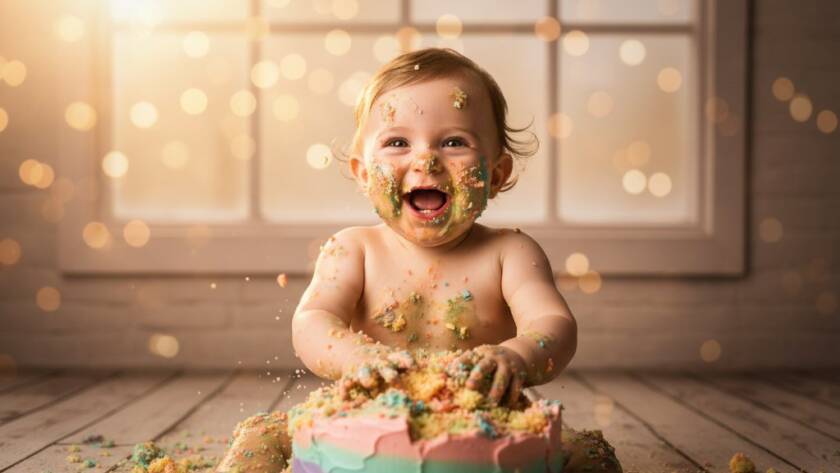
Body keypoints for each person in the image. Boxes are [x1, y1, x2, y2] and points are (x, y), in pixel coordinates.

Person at [217, 47, 621, 473]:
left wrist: (516, 356)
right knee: (261, 433)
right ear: (363, 173)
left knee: (586, 452)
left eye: (453, 142)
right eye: (397, 142)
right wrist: (354, 356)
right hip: (363, 421)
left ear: (496, 174)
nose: (426, 160)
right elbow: (312, 319)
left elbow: (555, 326)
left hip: (484, 423)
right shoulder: (353, 249)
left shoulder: (511, 254)